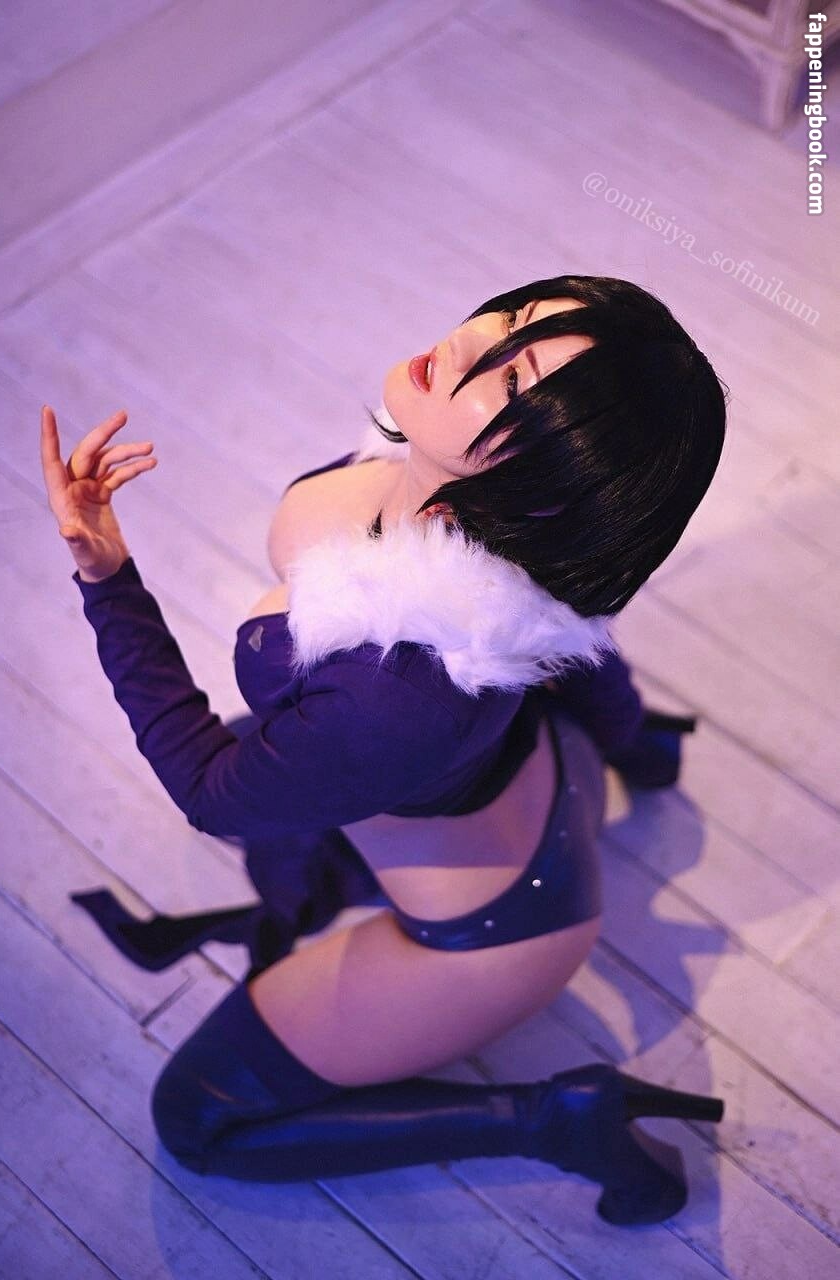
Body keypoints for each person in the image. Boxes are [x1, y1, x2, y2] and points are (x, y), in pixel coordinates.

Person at [40, 274, 727, 1227]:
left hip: (501, 929)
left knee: (200, 1119)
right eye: (513, 318)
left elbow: (207, 790)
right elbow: (581, 639)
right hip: (540, 763)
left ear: (546, 480)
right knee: (283, 774)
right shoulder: (456, 495)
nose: (469, 340)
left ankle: (559, 1119)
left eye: (513, 380)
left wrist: (109, 579)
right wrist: (635, 745)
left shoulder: (402, 689)